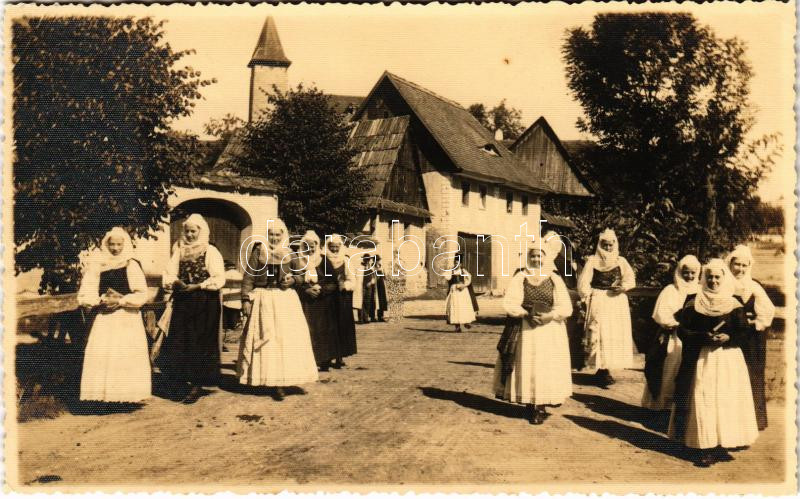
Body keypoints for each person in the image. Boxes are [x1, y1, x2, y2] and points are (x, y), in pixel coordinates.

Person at [669, 259, 758, 467]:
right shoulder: (693, 302)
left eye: (718, 277)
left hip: (728, 360)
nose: (714, 281)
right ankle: (704, 446)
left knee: (725, 400)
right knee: (704, 400)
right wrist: (702, 337)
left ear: (724, 279)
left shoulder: (734, 303)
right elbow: (682, 331)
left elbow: (745, 333)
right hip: (701, 359)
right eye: (710, 277)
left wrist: (729, 337)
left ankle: (722, 444)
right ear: (704, 278)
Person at [236, 219, 318, 399]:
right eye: (271, 234)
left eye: (277, 235)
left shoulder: (290, 253)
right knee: (265, 338)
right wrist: (245, 299)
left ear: (283, 235)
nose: (274, 238)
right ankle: (262, 378)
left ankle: (281, 382)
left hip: (284, 299)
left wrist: (293, 280)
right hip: (263, 298)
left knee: (284, 340)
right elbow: (249, 277)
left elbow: (302, 274)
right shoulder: (259, 251)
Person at [493, 243, 573, 424]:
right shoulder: (521, 277)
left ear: (546, 258)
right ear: (528, 258)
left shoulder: (554, 278)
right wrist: (524, 314)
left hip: (549, 329)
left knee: (545, 366)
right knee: (527, 365)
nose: (537, 259)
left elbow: (565, 306)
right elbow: (510, 302)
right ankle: (530, 403)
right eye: (533, 256)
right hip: (526, 327)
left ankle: (541, 405)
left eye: (540, 256)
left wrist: (550, 316)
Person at [77, 227, 151, 404]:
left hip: (126, 317)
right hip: (105, 317)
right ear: (106, 244)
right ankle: (105, 397)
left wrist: (122, 300)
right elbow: (86, 292)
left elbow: (142, 294)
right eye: (112, 244)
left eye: (119, 244)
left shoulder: (131, 265)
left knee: (124, 355)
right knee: (104, 354)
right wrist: (99, 300)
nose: (115, 248)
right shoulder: (99, 265)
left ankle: (125, 397)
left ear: (125, 245)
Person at [159, 215, 225, 403]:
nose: (189, 235)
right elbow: (169, 274)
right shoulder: (179, 250)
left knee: (200, 341)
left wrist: (199, 285)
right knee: (180, 340)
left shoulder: (210, 251)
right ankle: (181, 381)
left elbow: (219, 278)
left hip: (204, 301)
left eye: (193, 231)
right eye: (187, 231)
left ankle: (197, 384)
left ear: (201, 232)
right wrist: (175, 282)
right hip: (183, 301)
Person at [641, 255, 701, 418]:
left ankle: (680, 407)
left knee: (686, 371)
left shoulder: (700, 291)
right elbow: (660, 314)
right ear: (680, 272)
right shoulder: (670, 290)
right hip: (673, 336)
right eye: (686, 272)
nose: (689, 276)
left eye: (693, 273)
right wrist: (674, 324)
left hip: (691, 338)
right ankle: (660, 406)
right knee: (668, 369)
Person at [577, 228, 636, 387]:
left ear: (615, 245)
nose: (608, 248)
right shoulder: (592, 261)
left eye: (611, 245)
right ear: (600, 245)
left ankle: (607, 368)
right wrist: (587, 297)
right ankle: (601, 369)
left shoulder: (620, 261)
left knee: (613, 333)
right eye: (605, 245)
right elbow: (583, 283)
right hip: (599, 299)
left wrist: (623, 287)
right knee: (600, 333)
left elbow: (630, 279)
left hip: (616, 301)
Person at [727, 244, 775, 430]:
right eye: (736, 264)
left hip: (750, 339)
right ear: (730, 264)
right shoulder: (722, 283)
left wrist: (755, 323)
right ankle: (730, 422)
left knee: (751, 375)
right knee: (730, 376)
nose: (740, 269)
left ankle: (754, 421)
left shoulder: (754, 286)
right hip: (729, 337)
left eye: (744, 265)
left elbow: (767, 311)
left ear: (749, 266)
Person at [298, 230, 339, 371]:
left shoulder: (323, 260)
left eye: (312, 246)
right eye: (306, 246)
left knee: (322, 330)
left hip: (322, 303)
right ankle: (306, 362)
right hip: (304, 302)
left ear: (317, 245)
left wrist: (321, 289)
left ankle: (324, 360)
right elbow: (294, 280)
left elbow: (333, 282)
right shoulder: (297, 260)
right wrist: (306, 290)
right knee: (306, 330)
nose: (310, 249)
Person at [324, 235, 358, 368]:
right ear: (328, 247)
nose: (334, 249)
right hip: (327, 297)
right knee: (328, 327)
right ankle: (327, 357)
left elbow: (352, 280)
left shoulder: (346, 260)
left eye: (336, 247)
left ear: (340, 247)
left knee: (340, 326)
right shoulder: (323, 259)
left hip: (341, 298)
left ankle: (339, 356)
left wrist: (346, 285)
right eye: (332, 247)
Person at [444, 254, 479, 332]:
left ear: (460, 264)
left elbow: (469, 278)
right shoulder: (451, 271)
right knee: (455, 307)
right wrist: (448, 271)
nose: (456, 264)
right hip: (454, 291)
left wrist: (464, 285)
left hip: (462, 291)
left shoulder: (463, 271)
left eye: (458, 263)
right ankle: (457, 326)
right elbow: (447, 277)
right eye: (455, 263)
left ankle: (466, 322)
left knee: (464, 306)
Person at [361, 254, 388, 323]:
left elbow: (385, 276)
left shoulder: (381, 266)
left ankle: (380, 316)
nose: (377, 261)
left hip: (381, 286)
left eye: (378, 260)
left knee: (381, 300)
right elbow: (372, 276)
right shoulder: (372, 267)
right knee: (373, 301)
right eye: (376, 260)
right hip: (374, 286)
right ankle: (372, 316)